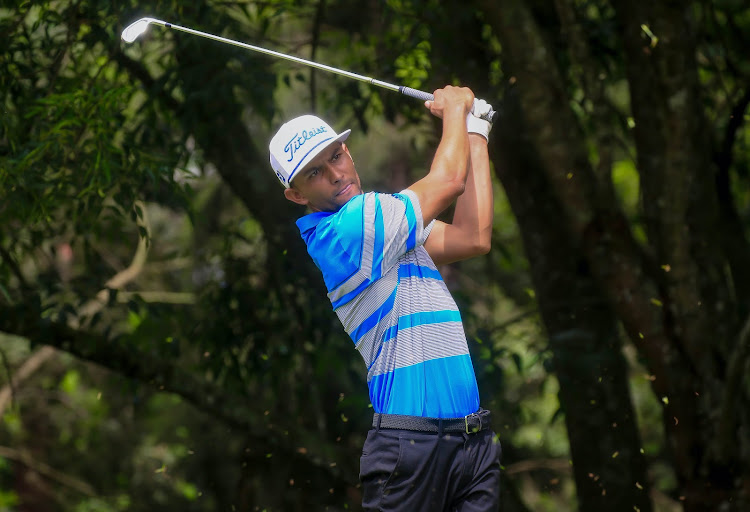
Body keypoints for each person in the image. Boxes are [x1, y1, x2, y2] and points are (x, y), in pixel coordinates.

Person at [269, 86, 500, 511]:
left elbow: (474, 237)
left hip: (473, 444)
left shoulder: (390, 226)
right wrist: (454, 109)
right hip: (411, 448)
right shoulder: (349, 231)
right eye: (315, 173)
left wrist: (475, 132)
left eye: (336, 156)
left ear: (348, 151)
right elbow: (448, 182)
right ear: (297, 195)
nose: (336, 175)